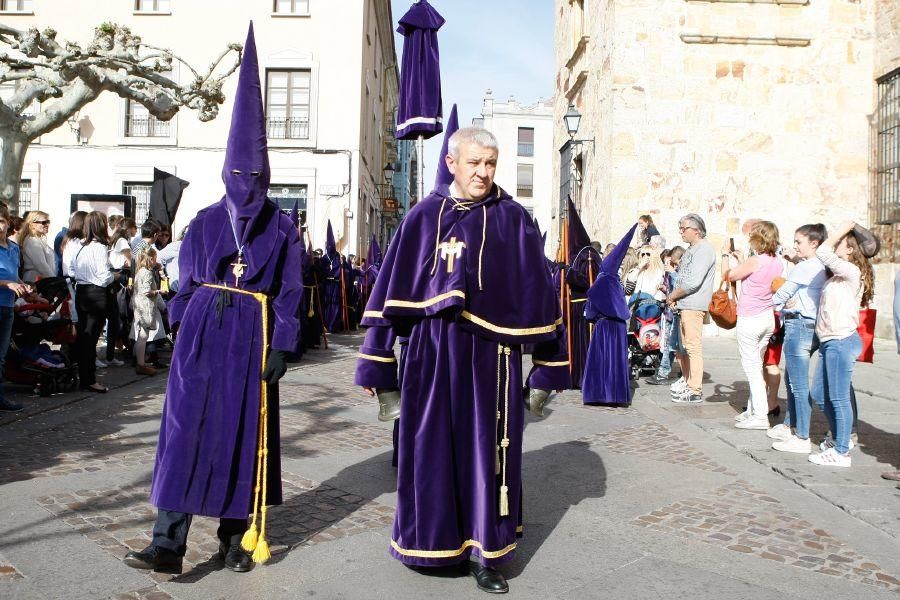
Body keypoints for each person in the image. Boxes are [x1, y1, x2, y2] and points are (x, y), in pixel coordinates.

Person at [355, 127, 569, 594]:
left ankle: (484, 553)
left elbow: (539, 296)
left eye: (491, 164)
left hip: (491, 361)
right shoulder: (421, 217)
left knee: (486, 455)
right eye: (474, 163)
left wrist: (547, 370)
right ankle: (432, 543)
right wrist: (377, 366)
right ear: (452, 163)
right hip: (430, 355)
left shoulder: (513, 220)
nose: (484, 172)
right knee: (430, 450)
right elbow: (390, 295)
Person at [124, 24, 304, 575]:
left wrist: (285, 345)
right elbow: (181, 285)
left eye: (256, 173)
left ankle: (234, 538)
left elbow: (293, 289)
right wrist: (181, 322)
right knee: (185, 431)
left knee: (241, 434)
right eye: (239, 172)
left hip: (254, 335)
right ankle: (167, 542)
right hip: (202, 336)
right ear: (226, 171)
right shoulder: (203, 222)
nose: (247, 181)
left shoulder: (283, 228)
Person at [807, 221, 875, 467]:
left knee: (838, 397)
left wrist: (845, 228)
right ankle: (839, 440)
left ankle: (842, 450)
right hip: (829, 341)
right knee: (820, 395)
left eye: (840, 243)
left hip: (841, 340)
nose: (835, 245)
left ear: (849, 250)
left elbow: (823, 252)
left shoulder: (851, 272)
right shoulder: (837, 276)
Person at [768, 224, 828, 453]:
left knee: (797, 383)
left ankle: (801, 435)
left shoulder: (806, 267)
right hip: (812, 324)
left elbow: (782, 292)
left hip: (800, 324)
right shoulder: (821, 266)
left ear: (814, 243)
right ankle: (792, 425)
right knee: (794, 378)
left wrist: (780, 302)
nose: (795, 246)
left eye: (799, 242)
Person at [727, 221, 783, 430]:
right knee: (757, 365)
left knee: (752, 368)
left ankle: (760, 416)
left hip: (750, 317)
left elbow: (732, 275)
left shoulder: (755, 260)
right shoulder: (777, 262)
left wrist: (727, 257)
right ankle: (752, 410)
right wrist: (742, 260)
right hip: (767, 316)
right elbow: (755, 275)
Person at [582, 223, 639, 406]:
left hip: (604, 326)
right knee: (615, 361)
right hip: (619, 327)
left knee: (602, 360)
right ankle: (615, 395)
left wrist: (591, 316)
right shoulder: (616, 281)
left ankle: (599, 394)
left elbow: (591, 310)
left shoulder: (602, 279)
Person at [667, 213, 717, 403]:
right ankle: (689, 383)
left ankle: (695, 389)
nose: (681, 231)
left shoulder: (704, 250)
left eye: (684, 228)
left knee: (693, 347)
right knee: (686, 347)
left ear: (696, 230)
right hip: (684, 304)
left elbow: (692, 283)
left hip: (693, 305)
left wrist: (673, 295)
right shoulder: (692, 249)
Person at [71, 211, 114, 393]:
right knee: (91, 338)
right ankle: (89, 379)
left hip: (81, 291)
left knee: (84, 337)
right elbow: (104, 277)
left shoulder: (80, 246)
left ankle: (85, 376)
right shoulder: (99, 248)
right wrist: (116, 275)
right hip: (96, 294)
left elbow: (72, 270)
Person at [0, 204, 30, 412]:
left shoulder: (13, 248)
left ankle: (0, 397)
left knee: (1, 356)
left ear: (8, 222)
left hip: (8, 306)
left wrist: (22, 284)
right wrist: (7, 284)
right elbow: (6, 280)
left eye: (1, 221)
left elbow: (14, 274)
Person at [647, 245, 685, 384]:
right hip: (670, 312)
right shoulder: (673, 271)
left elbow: (681, 287)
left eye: (672, 262)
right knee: (670, 345)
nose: (669, 265)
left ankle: (668, 372)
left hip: (677, 312)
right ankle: (666, 372)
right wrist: (664, 288)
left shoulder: (680, 271)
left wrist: (673, 273)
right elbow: (672, 290)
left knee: (676, 346)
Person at [132, 248, 165, 376]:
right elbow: (146, 291)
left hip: (139, 305)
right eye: (155, 258)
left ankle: (140, 362)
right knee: (143, 336)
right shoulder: (146, 273)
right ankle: (140, 364)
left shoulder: (140, 271)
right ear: (150, 259)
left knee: (141, 335)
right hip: (144, 307)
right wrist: (159, 292)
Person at [18, 211, 55, 283]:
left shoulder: (37, 239)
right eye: (44, 222)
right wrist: (55, 282)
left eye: (48, 222)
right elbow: (42, 266)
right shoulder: (31, 241)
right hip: (35, 281)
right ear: (32, 225)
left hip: (42, 280)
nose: (47, 224)